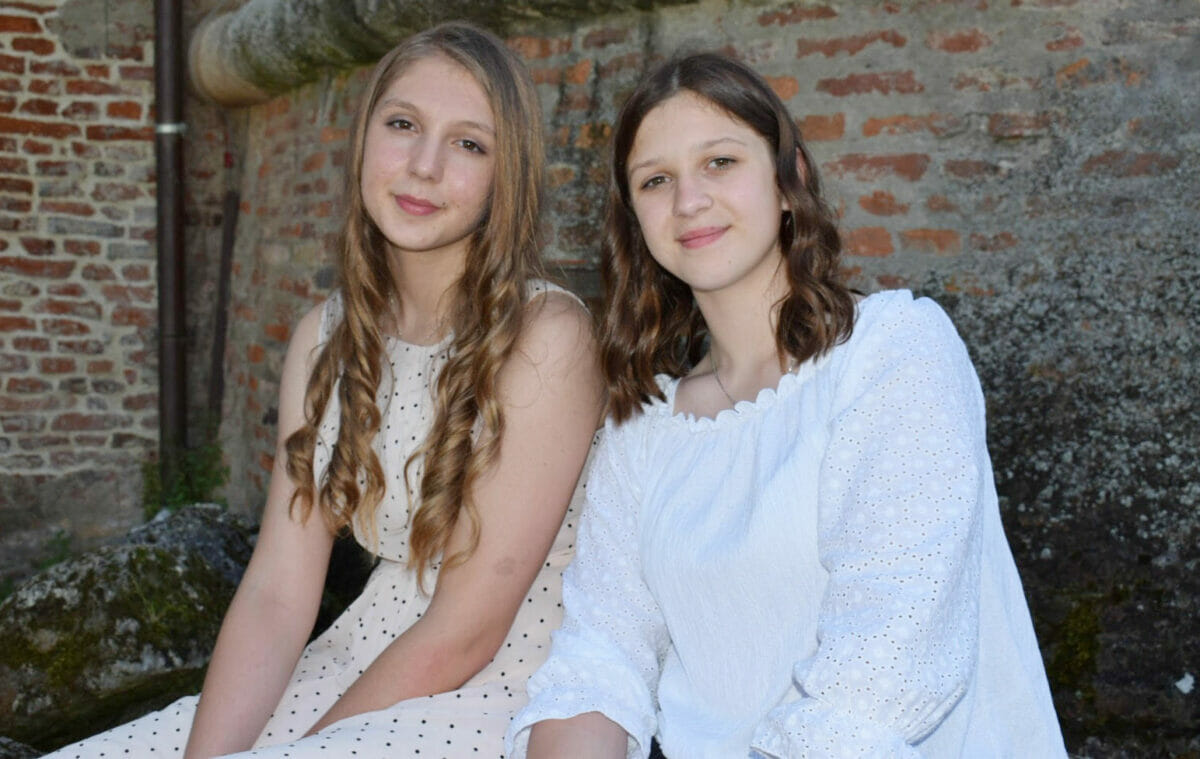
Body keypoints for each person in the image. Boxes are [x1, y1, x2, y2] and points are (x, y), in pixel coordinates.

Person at [48, 21, 603, 759]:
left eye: (470, 144)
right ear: (364, 138)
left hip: (500, 689)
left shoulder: (547, 335)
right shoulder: (323, 338)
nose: (425, 166)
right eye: (402, 125)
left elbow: (467, 630)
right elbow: (277, 594)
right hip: (353, 662)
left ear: (509, 176)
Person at [505, 52, 1066, 758]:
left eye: (720, 162)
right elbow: (600, 658)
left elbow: (886, 663)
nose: (688, 201)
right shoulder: (644, 427)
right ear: (634, 217)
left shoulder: (893, 352)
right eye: (656, 180)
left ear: (788, 179)